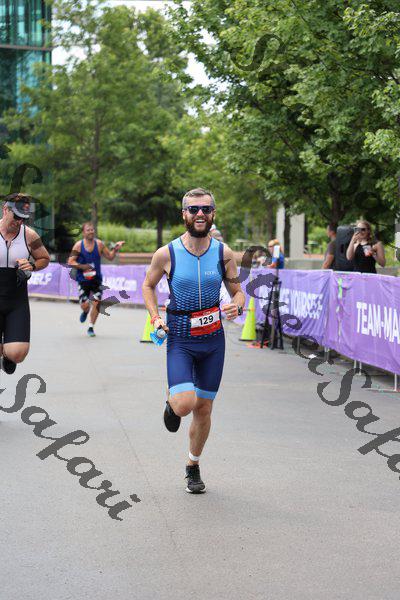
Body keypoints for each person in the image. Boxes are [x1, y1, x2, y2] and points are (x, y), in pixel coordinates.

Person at [142, 187, 245, 494]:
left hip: (213, 340)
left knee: (204, 408)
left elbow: (238, 291)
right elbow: (148, 286)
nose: (200, 214)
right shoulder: (167, 253)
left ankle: (193, 466)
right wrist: (155, 318)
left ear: (213, 214)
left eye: (206, 209)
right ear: (184, 214)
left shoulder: (224, 253)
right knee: (186, 403)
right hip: (181, 337)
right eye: (194, 209)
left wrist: (238, 305)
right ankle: (172, 404)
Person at [0, 193, 50, 374]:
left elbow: (44, 258)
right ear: (5, 210)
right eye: (16, 217)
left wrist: (32, 266)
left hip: (16, 300)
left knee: (18, 354)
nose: (19, 221)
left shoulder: (29, 235)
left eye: (23, 218)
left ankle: (7, 355)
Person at [68, 222, 125, 337]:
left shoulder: (99, 244)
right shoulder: (78, 246)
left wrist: (115, 249)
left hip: (96, 280)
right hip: (83, 280)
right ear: (83, 232)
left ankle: (91, 327)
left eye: (92, 230)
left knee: (97, 303)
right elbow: (70, 261)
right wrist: (83, 266)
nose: (91, 232)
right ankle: (85, 311)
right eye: (88, 230)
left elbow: (110, 257)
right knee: (85, 305)